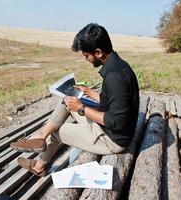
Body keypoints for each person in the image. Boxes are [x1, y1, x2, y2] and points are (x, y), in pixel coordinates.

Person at [10, 23, 139, 177]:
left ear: (98, 52)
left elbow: (116, 121)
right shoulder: (119, 66)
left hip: (111, 140)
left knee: (56, 131)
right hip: (108, 128)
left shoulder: (114, 77)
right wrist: (90, 92)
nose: (86, 59)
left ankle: (39, 165)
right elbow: (114, 101)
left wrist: (81, 108)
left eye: (86, 55)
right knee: (66, 102)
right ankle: (40, 136)